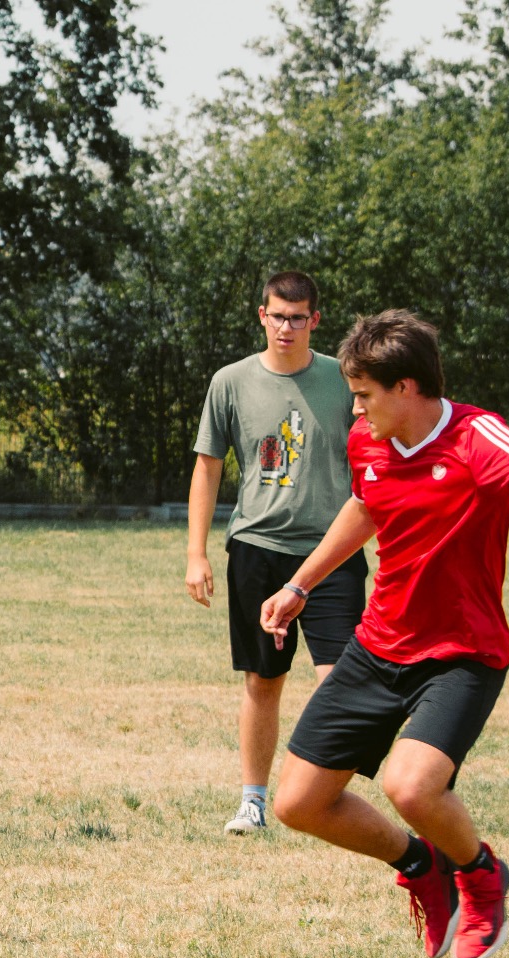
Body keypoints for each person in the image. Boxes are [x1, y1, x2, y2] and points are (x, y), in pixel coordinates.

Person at [262, 310, 509, 958]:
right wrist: (300, 584)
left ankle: (481, 872)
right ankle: (419, 864)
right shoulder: (367, 442)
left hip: (462, 653)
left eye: (364, 394)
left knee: (412, 786)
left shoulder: (474, 437)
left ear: (406, 387)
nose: (355, 407)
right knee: (296, 802)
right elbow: (367, 505)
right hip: (379, 645)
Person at [186, 270, 369, 837]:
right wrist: (196, 554)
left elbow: (374, 457)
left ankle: (320, 796)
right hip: (257, 549)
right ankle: (254, 801)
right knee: (262, 682)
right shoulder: (231, 381)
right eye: (277, 315)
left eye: (298, 317)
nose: (286, 327)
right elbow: (208, 466)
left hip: (332, 552)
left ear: (315, 320)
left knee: (339, 678)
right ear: (261, 316)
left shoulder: (345, 382)